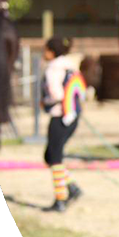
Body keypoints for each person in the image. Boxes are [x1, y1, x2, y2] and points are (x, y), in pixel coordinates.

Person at [41, 37, 83, 212]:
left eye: (45, 50)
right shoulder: (71, 66)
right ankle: (72, 186)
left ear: (52, 51)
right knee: (50, 156)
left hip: (59, 116)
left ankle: (60, 198)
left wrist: (45, 101)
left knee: (55, 158)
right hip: (73, 115)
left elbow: (56, 94)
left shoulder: (53, 68)